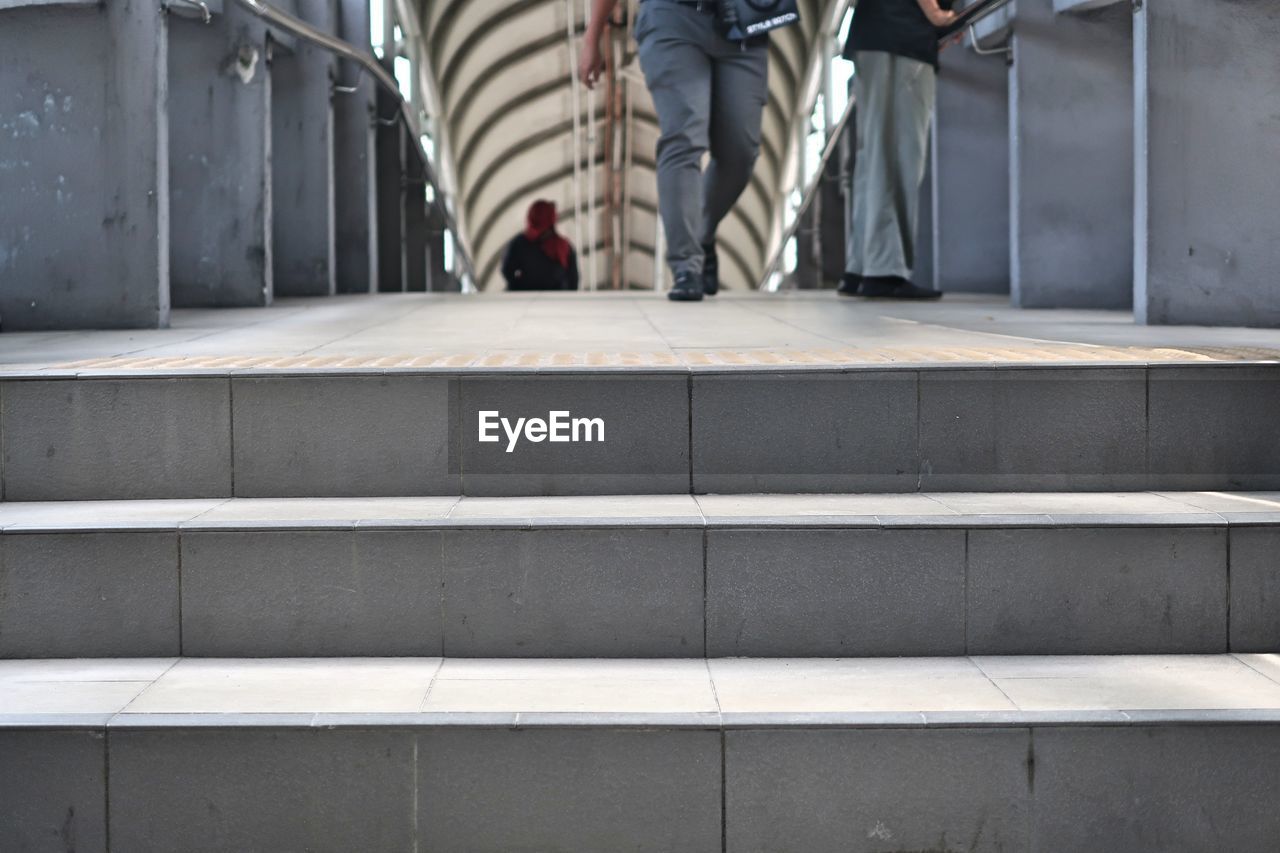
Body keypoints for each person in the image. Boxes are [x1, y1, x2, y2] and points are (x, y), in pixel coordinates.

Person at [580, 0, 768, 302]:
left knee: (741, 151)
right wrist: (592, 36)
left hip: (745, 21)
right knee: (683, 137)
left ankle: (701, 232)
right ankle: (686, 266)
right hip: (670, 16)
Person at [838, 0, 956, 300]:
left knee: (876, 154)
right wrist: (935, 14)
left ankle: (861, 267)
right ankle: (884, 271)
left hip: (886, 33)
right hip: (899, 36)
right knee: (897, 155)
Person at [501, 200, 581, 291]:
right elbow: (573, 280)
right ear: (552, 219)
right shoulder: (563, 246)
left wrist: (518, 286)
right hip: (556, 300)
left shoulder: (518, 243)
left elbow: (506, 270)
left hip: (525, 298)